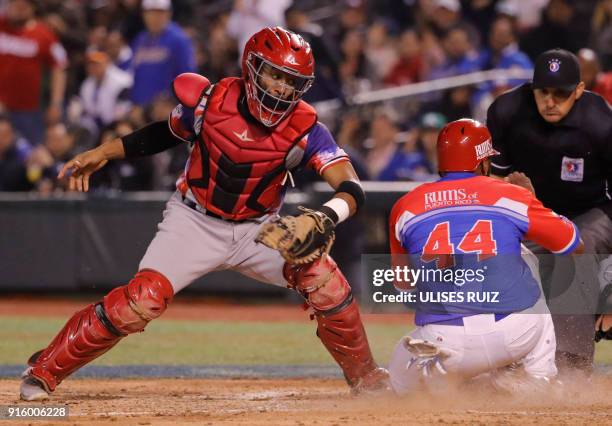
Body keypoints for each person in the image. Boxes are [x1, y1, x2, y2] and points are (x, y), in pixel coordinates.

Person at [19, 26, 389, 401]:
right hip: (193, 220)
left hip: (258, 230)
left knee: (325, 280)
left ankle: (367, 379)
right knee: (140, 301)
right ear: (251, 67)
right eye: (274, 74)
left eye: (291, 81)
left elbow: (351, 186)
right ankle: (44, 370)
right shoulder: (210, 100)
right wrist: (103, 152)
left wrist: (326, 216)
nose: (280, 88)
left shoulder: (307, 127)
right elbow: (161, 134)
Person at [388, 118, 584, 395]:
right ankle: (540, 378)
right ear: (482, 162)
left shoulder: (405, 206)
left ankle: (445, 379)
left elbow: (403, 285)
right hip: (516, 333)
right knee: (525, 255)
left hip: (444, 341)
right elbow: (573, 245)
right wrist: (533, 201)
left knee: (398, 382)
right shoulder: (512, 196)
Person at [487, 48, 612, 373]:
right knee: (498, 250)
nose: (551, 101)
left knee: (575, 246)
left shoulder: (601, 122)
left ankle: (571, 366)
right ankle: (503, 359)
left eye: (561, 93)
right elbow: (488, 183)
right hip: (533, 213)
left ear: (580, 91)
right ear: (532, 89)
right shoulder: (506, 111)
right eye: (543, 92)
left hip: (590, 211)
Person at [0, 0, 68, 145]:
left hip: (29, 110)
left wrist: (56, 103)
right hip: (1, 105)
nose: (17, 10)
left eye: (22, 7)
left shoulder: (43, 34)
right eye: (14, 6)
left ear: (32, 9)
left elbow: (60, 65)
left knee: (30, 152)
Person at [128, 0, 196, 107]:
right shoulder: (139, 40)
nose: (155, 17)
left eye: (160, 12)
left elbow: (189, 77)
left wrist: (171, 100)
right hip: (139, 108)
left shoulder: (179, 39)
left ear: (169, 13)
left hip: (166, 109)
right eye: (151, 12)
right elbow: (134, 75)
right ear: (144, 14)